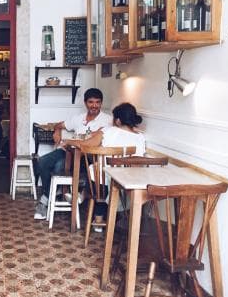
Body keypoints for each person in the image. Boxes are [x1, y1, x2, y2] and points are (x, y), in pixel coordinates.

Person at [64, 102, 146, 230]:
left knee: (96, 171)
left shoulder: (108, 131)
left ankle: (91, 208)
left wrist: (68, 140)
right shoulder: (140, 137)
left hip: (104, 183)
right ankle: (89, 201)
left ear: (118, 121)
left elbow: (86, 145)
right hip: (129, 183)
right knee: (101, 174)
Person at [34, 88, 112, 220]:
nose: (94, 105)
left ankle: (49, 199)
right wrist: (56, 131)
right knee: (42, 162)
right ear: (85, 103)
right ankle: (50, 195)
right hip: (68, 151)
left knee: (59, 166)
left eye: (97, 102)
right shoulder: (79, 118)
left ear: (101, 103)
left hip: (88, 157)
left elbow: (97, 138)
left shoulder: (107, 120)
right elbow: (59, 125)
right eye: (91, 102)